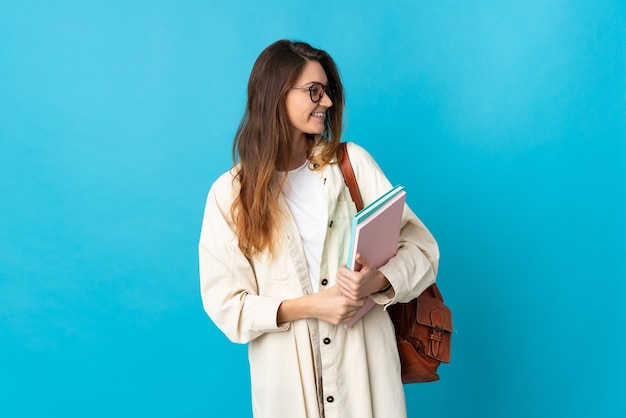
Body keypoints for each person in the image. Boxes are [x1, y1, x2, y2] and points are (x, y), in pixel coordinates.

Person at [198, 39, 439, 418]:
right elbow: (226, 306)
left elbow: (423, 252)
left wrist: (376, 282)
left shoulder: (352, 165)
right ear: (276, 93)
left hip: (366, 376)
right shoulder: (229, 194)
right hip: (286, 389)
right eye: (314, 91)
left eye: (327, 91)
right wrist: (311, 306)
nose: (326, 102)